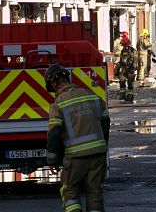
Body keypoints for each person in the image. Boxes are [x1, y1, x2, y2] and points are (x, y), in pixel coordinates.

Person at [45, 63, 110, 212]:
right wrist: (103, 145)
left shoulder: (58, 104)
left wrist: (52, 159)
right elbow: (105, 122)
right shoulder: (92, 96)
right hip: (98, 154)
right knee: (95, 194)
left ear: (54, 83)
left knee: (69, 192)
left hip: (76, 157)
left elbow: (54, 132)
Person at [119, 37, 138, 102]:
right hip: (124, 68)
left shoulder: (133, 51)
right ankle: (122, 94)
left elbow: (135, 60)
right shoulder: (123, 51)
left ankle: (130, 96)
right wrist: (119, 67)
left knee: (130, 83)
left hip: (131, 68)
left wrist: (133, 68)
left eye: (124, 45)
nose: (124, 46)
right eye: (123, 45)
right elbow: (121, 59)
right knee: (121, 80)